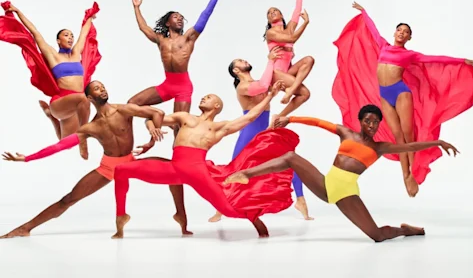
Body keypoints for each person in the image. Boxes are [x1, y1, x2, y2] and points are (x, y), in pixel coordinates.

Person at [224, 105, 460, 243]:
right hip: (327, 185)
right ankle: (247, 173)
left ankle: (407, 230)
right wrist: (290, 118)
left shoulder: (379, 148)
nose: (372, 125)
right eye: (368, 120)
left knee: (377, 236)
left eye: (376, 122)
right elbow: (318, 122)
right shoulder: (346, 133)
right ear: (360, 121)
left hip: (346, 191)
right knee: (290, 158)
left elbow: (409, 147)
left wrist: (437, 142)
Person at [111, 80, 301, 239]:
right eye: (204, 96)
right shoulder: (184, 117)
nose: (204, 97)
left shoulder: (219, 127)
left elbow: (251, 116)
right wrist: (151, 126)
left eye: (209, 97)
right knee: (121, 170)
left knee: (227, 210)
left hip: (197, 172)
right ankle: (121, 217)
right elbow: (153, 117)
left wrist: (271, 95)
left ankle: (254, 218)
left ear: (216, 106)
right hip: (174, 169)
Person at [1, 80, 189, 238]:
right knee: (68, 199)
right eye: (97, 88)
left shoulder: (124, 110)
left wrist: (151, 139)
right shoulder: (91, 127)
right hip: (108, 168)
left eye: (103, 86)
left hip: (130, 162)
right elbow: (59, 146)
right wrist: (27, 158)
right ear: (90, 98)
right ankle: (26, 228)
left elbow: (157, 113)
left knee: (174, 170)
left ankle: (180, 214)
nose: (103, 89)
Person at [332, 2, 473, 196]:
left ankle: (413, 173)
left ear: (409, 38)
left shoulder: (410, 55)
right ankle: (405, 175)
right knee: (397, 137)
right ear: (395, 33)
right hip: (384, 95)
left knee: (408, 134)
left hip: (401, 92)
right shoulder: (384, 46)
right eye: (399, 30)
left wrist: (462, 61)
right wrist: (364, 12)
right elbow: (373, 31)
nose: (401, 33)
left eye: (406, 32)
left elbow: (435, 59)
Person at [207, 50, 312, 223]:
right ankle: (220, 208)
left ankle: (301, 201)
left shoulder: (259, 82)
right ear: (236, 71)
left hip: (266, 130)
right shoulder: (243, 87)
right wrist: (270, 62)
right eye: (239, 61)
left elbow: (271, 89)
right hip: (249, 132)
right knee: (235, 168)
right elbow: (263, 87)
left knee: (290, 162)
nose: (244, 59)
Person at [127, 0, 222, 130]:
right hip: (167, 85)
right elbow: (143, 27)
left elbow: (206, 14)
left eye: (181, 18)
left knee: (178, 127)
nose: (179, 19)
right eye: (175, 17)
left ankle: (178, 151)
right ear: (167, 23)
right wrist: (136, 8)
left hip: (183, 87)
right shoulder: (160, 40)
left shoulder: (188, 38)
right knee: (132, 104)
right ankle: (155, 116)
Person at [0, 1, 101, 139]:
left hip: (76, 104)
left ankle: (51, 117)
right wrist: (18, 12)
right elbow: (35, 33)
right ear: (58, 41)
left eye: (71, 35)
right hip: (61, 102)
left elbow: (84, 33)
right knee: (85, 98)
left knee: (65, 140)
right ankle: (85, 133)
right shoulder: (53, 56)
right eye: (66, 35)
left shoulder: (76, 53)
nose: (70, 37)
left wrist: (90, 16)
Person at [263, 0, 314, 119]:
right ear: (268, 20)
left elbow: (297, 9)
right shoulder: (270, 33)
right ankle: (291, 90)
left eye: (275, 10)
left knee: (309, 60)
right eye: (269, 13)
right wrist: (305, 24)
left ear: (281, 15)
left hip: (287, 73)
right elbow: (292, 38)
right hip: (276, 74)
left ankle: (279, 116)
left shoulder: (289, 27)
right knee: (304, 92)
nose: (272, 12)